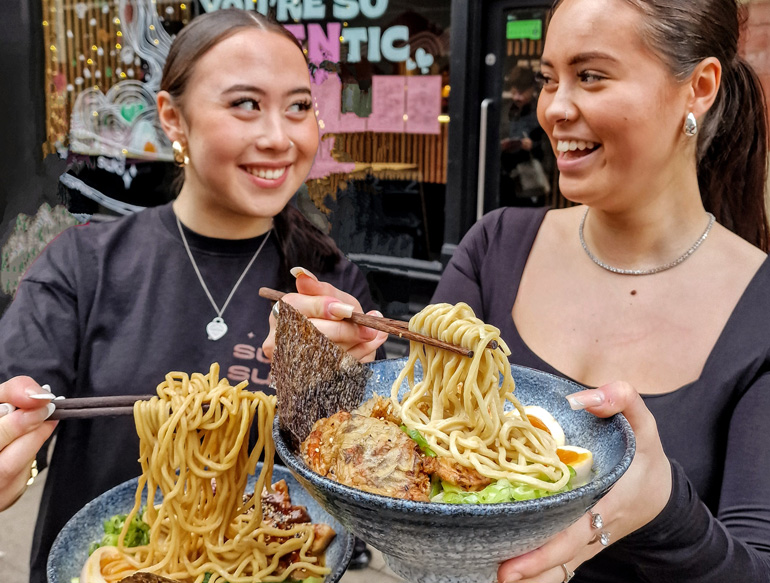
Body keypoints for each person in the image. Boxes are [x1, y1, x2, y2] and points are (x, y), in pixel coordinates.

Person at [265, 0, 770, 581]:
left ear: (699, 87)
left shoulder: (758, 314)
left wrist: (664, 510)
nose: (553, 109)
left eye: (591, 76)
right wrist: (325, 370)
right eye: (549, 79)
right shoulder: (497, 246)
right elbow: (401, 467)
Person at [0, 10, 386, 582]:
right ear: (172, 118)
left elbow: (347, 488)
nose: (279, 137)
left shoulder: (329, 285)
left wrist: (333, 380)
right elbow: (18, 409)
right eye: (245, 104)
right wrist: (16, 461)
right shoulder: (82, 266)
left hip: (267, 566)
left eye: (299, 106)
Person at [500, 66, 551, 206]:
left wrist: (533, 146)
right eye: (514, 91)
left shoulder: (541, 112)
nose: (518, 96)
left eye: (522, 92)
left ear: (532, 89)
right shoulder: (504, 110)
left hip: (530, 180)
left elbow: (550, 150)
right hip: (505, 178)